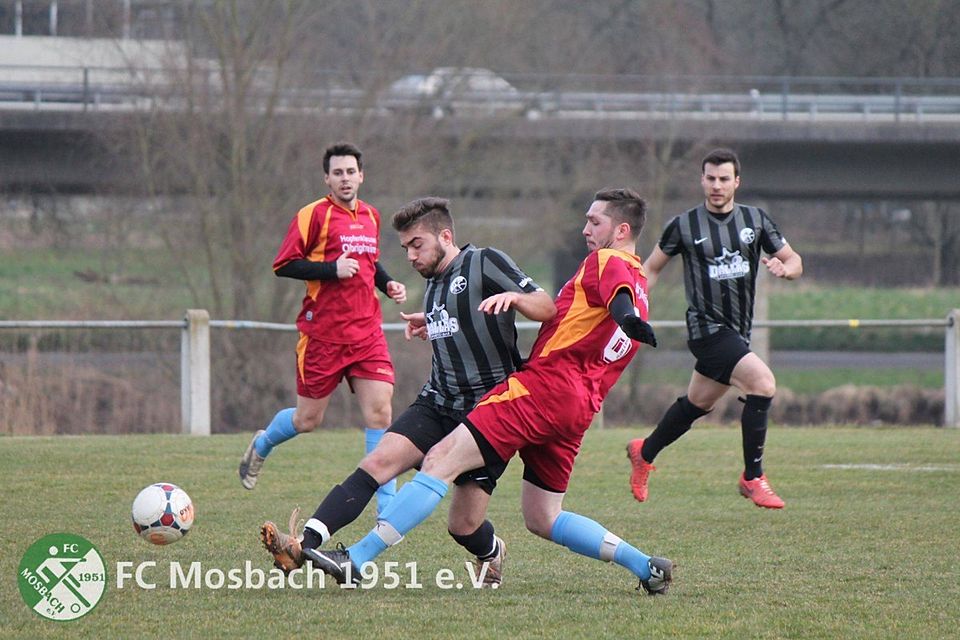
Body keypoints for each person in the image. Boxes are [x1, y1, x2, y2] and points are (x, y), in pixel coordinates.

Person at [306, 188, 673, 596]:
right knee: (543, 516)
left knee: (439, 460)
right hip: (579, 409)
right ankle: (646, 566)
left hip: (545, 389)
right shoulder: (643, 283)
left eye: (595, 222)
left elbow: (617, 301)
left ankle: (355, 558)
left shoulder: (608, 260)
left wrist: (628, 319)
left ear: (621, 230)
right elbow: (617, 305)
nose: (585, 229)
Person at [260, 196, 556, 587]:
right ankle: (301, 545)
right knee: (377, 464)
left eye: (417, 244)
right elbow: (458, 319)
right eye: (405, 248)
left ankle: (491, 551)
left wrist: (517, 298)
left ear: (445, 236)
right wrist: (430, 322)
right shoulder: (432, 286)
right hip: (437, 401)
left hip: (489, 411)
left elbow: (546, 305)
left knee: (463, 526)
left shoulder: (485, 261)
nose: (411, 255)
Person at [627, 148, 803, 509]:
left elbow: (794, 259)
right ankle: (752, 477)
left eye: (724, 179)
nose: (716, 185)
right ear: (701, 180)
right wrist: (632, 304)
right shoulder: (685, 225)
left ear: (737, 182)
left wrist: (787, 270)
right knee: (763, 384)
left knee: (697, 404)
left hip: (737, 332)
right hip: (705, 329)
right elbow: (652, 268)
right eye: (710, 178)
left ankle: (644, 451)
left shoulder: (755, 220)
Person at [239, 142, 407, 517]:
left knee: (380, 414)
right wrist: (330, 269)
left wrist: (389, 284)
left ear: (361, 176)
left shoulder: (372, 216)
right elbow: (283, 265)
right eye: (337, 173)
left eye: (351, 172)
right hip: (323, 336)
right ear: (326, 178)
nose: (345, 179)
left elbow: (369, 264)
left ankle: (387, 509)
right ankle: (263, 443)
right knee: (307, 420)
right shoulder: (312, 215)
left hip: (367, 333)